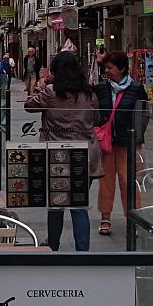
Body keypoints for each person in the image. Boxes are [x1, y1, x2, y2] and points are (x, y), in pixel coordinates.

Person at [25, 52, 102, 251]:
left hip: (56, 154)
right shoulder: (89, 94)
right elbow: (97, 119)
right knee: (79, 205)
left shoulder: (50, 92)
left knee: (56, 204)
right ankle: (83, 251)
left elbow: (29, 106)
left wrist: (41, 85)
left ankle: (53, 246)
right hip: (84, 154)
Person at [95, 51, 148, 235]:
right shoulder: (101, 88)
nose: (107, 71)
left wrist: (136, 136)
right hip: (107, 144)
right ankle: (105, 217)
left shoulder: (136, 89)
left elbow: (144, 114)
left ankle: (133, 218)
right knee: (106, 181)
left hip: (128, 143)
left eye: (110, 67)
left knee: (129, 181)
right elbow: (95, 112)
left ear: (122, 68)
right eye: (106, 67)